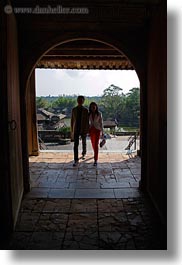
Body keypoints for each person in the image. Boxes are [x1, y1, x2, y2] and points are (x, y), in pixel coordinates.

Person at [71, 95, 89, 166]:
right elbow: (72, 120)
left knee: (84, 142)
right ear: (77, 101)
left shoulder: (85, 110)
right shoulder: (74, 109)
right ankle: (76, 159)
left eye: (81, 100)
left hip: (83, 128)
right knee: (76, 144)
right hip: (76, 128)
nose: (80, 101)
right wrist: (72, 130)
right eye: (79, 100)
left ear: (83, 101)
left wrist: (87, 129)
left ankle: (84, 153)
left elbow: (87, 121)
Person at [89, 102, 104, 166]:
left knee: (96, 144)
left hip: (97, 129)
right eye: (92, 107)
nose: (93, 108)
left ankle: (95, 159)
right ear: (90, 107)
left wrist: (102, 132)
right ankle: (95, 153)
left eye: (94, 107)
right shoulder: (89, 114)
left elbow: (101, 123)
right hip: (91, 129)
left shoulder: (99, 114)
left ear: (96, 107)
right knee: (92, 143)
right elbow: (87, 122)